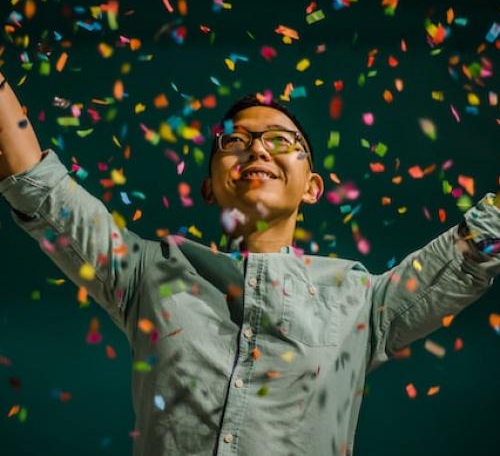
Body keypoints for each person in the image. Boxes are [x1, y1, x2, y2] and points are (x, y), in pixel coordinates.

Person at [0, 73, 499, 456]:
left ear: (312, 187)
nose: (257, 147)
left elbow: (472, 251)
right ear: (210, 184)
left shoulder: (362, 298)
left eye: (281, 141)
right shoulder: (148, 271)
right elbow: (38, 185)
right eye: (235, 141)